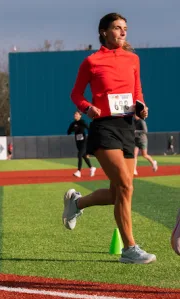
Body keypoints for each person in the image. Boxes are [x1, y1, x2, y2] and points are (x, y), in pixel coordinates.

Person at [64, 13, 156, 264]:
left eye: (125, 28)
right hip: (104, 128)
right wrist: (86, 108)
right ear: (104, 32)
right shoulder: (91, 62)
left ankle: (77, 202)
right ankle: (129, 249)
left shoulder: (133, 59)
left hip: (127, 126)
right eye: (117, 28)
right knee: (126, 186)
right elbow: (76, 93)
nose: (123, 32)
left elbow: (137, 92)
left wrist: (142, 107)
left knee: (119, 193)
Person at [67, 110, 96, 178]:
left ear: (80, 115)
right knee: (84, 156)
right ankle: (92, 168)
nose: (75, 115)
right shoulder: (73, 123)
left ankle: (79, 171)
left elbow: (88, 128)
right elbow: (68, 132)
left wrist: (91, 135)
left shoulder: (82, 122)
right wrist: (72, 130)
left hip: (83, 141)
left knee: (79, 155)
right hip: (78, 142)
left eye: (77, 114)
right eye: (75, 114)